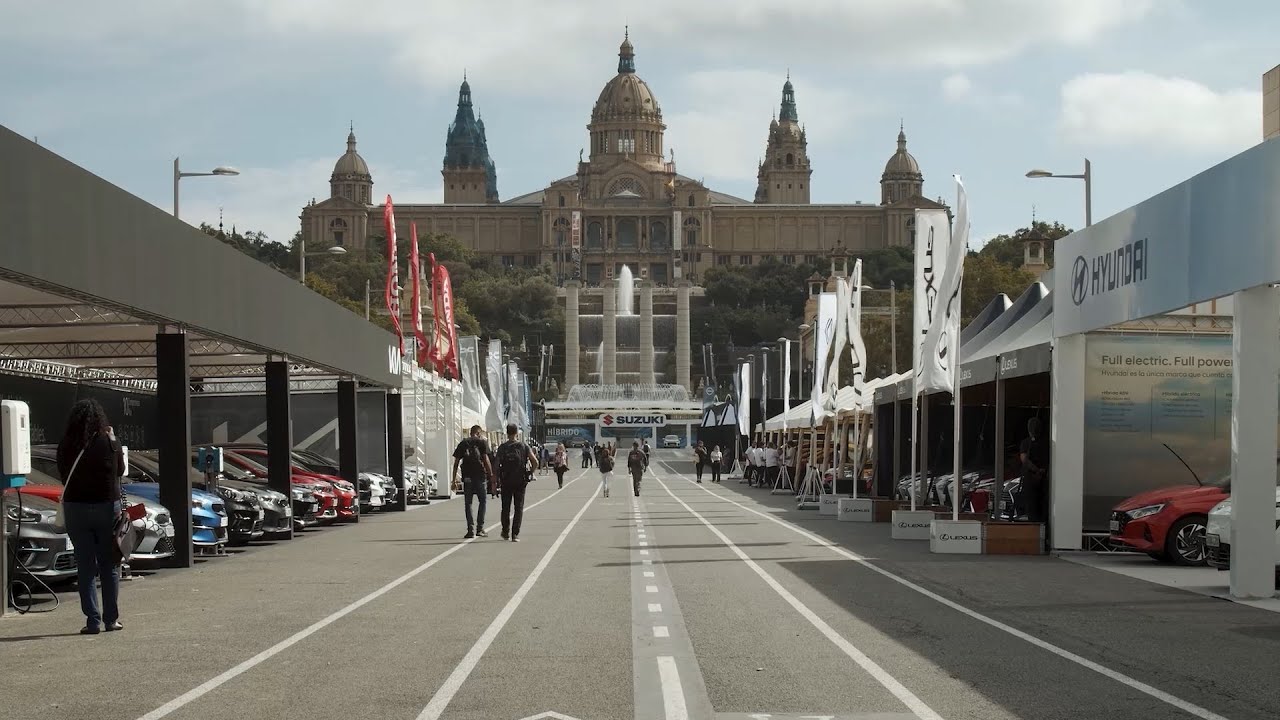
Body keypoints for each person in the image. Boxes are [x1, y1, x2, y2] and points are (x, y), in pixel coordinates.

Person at [57, 398, 126, 635]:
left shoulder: (66, 444)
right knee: (109, 565)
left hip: (76, 509)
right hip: (107, 507)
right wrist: (113, 439)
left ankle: (92, 621)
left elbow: (63, 474)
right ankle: (111, 619)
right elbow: (121, 470)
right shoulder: (108, 442)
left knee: (85, 566)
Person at [496, 423, 539, 541]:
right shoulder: (523, 446)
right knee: (518, 507)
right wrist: (530, 473)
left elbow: (496, 465)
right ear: (517, 433)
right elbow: (535, 462)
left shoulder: (503, 447)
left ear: (507, 432)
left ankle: (505, 531)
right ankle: (515, 534)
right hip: (520, 481)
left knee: (505, 507)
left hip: (506, 481)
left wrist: (496, 480)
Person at [452, 425, 494, 539]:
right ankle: (480, 528)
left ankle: (470, 530)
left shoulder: (463, 443)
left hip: (467, 478)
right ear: (479, 433)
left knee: (468, 503)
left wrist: (453, 479)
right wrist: (491, 477)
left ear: (470, 432)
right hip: (480, 476)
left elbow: (456, 462)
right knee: (483, 501)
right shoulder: (482, 443)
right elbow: (486, 460)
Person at [1019, 417, 1049, 522]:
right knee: (1043, 506)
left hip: (1030, 478)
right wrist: (1041, 470)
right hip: (1044, 478)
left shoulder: (1025, 443)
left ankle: (1035, 531)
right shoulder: (1047, 443)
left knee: (1031, 507)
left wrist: (1035, 470)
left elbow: (1024, 459)